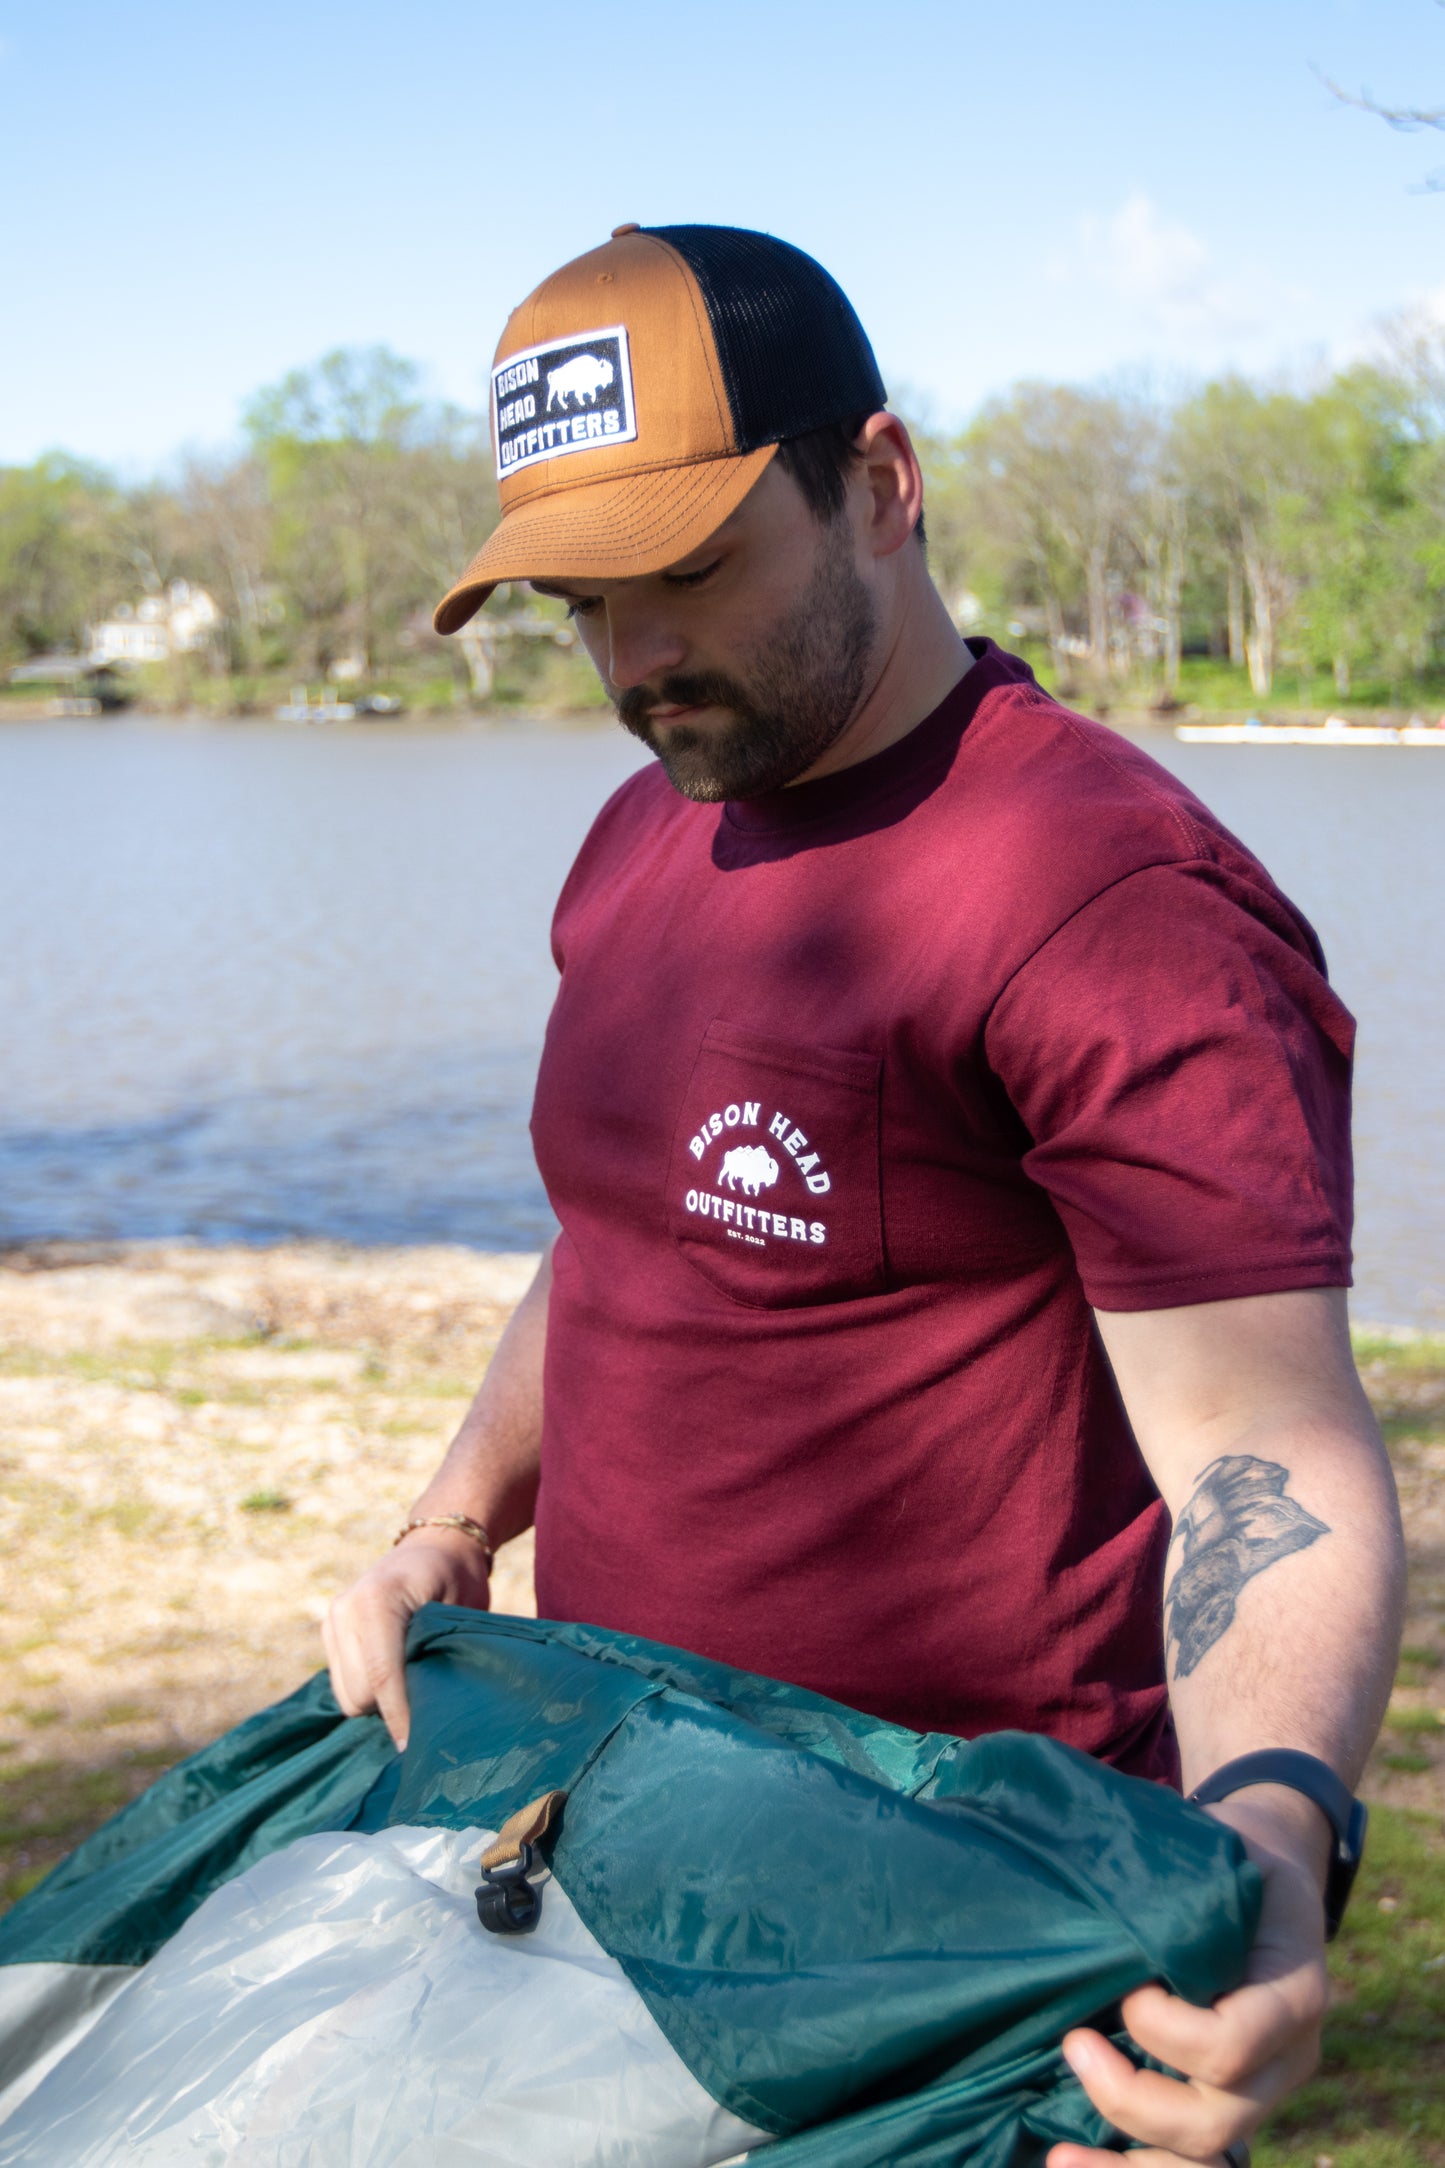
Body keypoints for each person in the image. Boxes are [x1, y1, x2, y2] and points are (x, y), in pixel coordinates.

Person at [324, 225, 1404, 2168]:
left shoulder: (1110, 907)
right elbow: (619, 1244)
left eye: (689, 571)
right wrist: (454, 1514)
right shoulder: (645, 834)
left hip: (959, 1955)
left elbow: (1272, 1450)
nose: (633, 654)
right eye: (584, 596)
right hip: (618, 1869)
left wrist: (1267, 1826)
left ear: (881, 486)